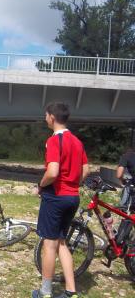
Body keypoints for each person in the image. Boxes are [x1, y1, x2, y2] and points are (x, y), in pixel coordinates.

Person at [32, 102, 89, 298]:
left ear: (52, 117)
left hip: (56, 197)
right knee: (62, 242)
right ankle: (71, 290)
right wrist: (73, 185)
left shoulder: (54, 140)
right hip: (73, 196)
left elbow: (53, 171)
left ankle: (45, 291)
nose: (45, 118)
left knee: (49, 244)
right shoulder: (77, 141)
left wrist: (41, 185)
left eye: (46, 115)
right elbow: (86, 170)